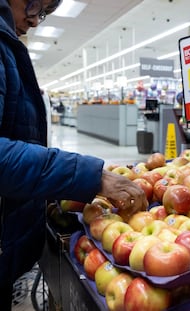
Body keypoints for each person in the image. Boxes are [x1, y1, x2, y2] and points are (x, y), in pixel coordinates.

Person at [0, 1, 148, 309]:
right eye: (38, 7)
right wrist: (88, 175)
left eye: (45, 13)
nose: (37, 21)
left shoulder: (7, 44)